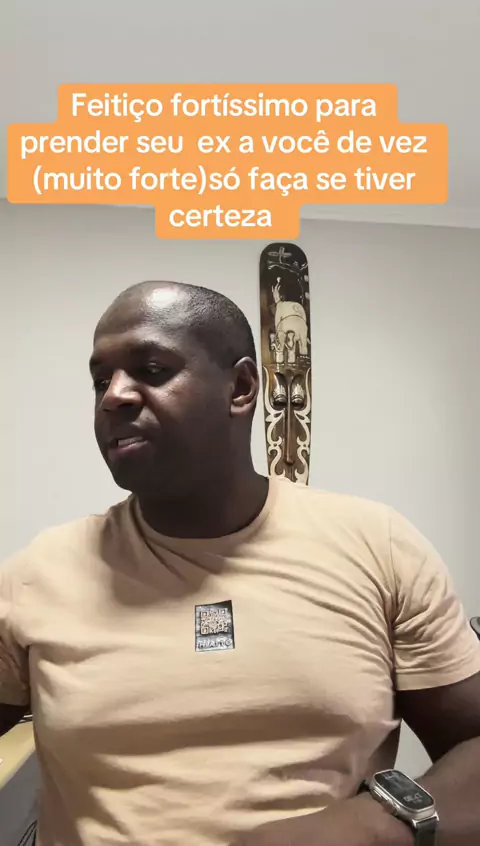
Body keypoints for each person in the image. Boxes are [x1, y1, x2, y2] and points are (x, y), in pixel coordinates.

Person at [0, 280, 479, 846]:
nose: (114, 397)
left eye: (151, 369)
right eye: (101, 380)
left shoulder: (379, 546)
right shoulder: (38, 572)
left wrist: (375, 825)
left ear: (242, 387)